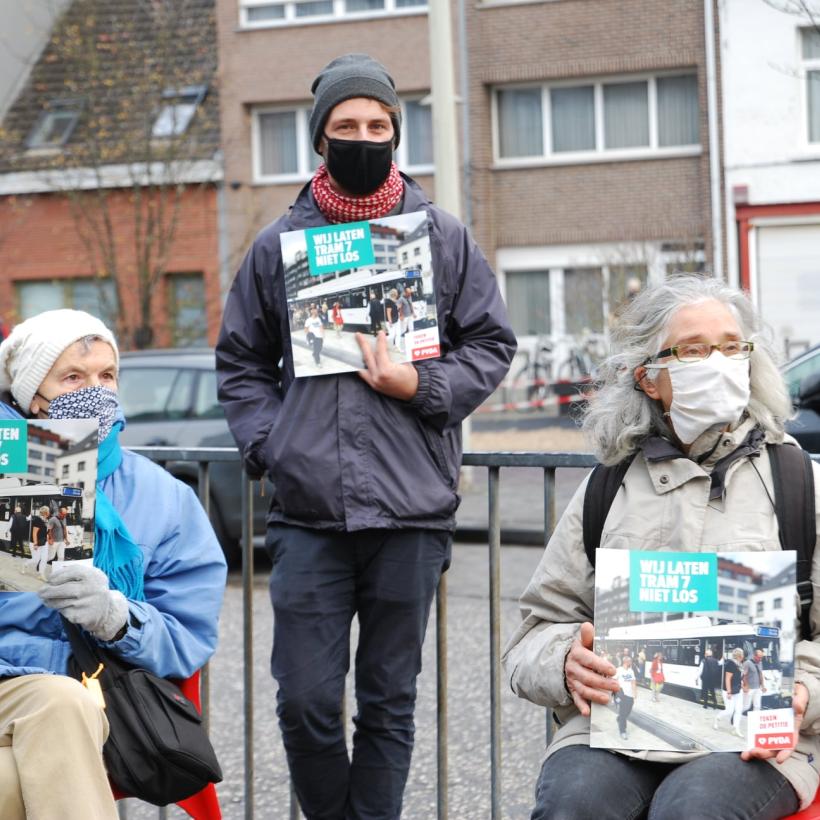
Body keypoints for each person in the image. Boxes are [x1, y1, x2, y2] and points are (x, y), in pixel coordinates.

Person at [215, 52, 515, 820]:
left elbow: (491, 343)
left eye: (377, 125)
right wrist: (268, 445)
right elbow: (242, 361)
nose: (362, 137)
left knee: (389, 703)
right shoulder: (275, 247)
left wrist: (423, 385)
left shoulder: (442, 238)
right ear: (320, 140)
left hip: (411, 510)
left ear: (395, 135)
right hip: (309, 512)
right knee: (306, 703)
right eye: (345, 126)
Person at [502, 275, 819, 819]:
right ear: (649, 378)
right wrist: (565, 663)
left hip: (752, 738)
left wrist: (803, 693)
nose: (718, 362)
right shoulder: (606, 486)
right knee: (574, 805)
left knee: (691, 810)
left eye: (731, 347)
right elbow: (535, 632)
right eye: (694, 350)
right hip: (615, 732)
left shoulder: (800, 482)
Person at [0, 309, 227, 820]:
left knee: (45, 729)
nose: (96, 390)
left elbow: (187, 634)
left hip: (86, 696)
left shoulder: (163, 496)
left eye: (107, 376)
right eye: (74, 377)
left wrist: (116, 617)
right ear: (32, 394)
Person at [715, 648, 746, 738]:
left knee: (738, 710)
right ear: (739, 655)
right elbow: (727, 679)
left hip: (738, 691)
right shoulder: (731, 664)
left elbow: (739, 678)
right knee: (729, 711)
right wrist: (729, 692)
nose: (743, 656)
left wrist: (743, 686)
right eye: (742, 654)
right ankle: (717, 718)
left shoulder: (740, 664)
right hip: (729, 691)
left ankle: (736, 729)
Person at [614, 655, 637, 741]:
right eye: (630, 661)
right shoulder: (618, 670)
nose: (631, 662)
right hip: (621, 695)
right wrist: (616, 693)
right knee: (623, 713)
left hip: (630, 695)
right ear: (625, 662)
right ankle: (622, 731)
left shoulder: (631, 671)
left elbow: (633, 682)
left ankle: (619, 718)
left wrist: (635, 692)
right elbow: (613, 681)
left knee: (628, 712)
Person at [27, 505, 50, 579]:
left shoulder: (46, 520)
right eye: (48, 511)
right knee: (36, 559)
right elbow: (34, 533)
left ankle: (41, 574)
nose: (49, 513)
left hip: (44, 542)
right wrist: (35, 544)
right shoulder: (38, 520)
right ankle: (25, 564)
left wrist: (48, 539)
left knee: (44, 558)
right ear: (45, 512)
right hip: (37, 542)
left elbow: (45, 532)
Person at [743, 648, 768, 713]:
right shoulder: (747, 663)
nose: (760, 659)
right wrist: (746, 686)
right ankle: (735, 715)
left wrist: (763, 686)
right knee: (746, 706)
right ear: (754, 656)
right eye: (759, 657)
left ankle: (754, 721)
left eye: (761, 657)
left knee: (757, 706)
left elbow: (760, 674)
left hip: (757, 688)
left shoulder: (760, 663)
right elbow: (744, 676)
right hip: (749, 688)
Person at [385, 287, 401, 351]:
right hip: (391, 321)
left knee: (398, 334)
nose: (397, 294)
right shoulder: (389, 302)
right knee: (392, 335)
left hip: (396, 320)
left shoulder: (395, 301)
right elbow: (388, 312)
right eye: (396, 292)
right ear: (394, 294)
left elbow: (394, 310)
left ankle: (397, 347)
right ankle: (381, 341)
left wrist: (398, 308)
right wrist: (390, 322)